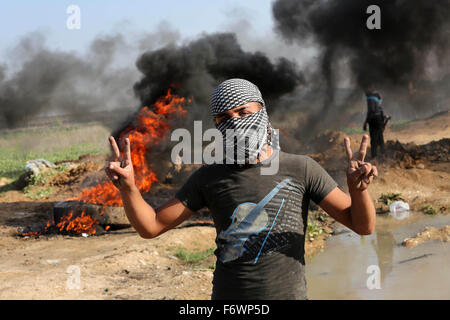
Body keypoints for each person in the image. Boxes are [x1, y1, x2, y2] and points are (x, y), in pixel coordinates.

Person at [105, 78, 378, 300]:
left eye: (243, 112)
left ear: (262, 113)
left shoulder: (301, 168)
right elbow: (151, 226)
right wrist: (128, 187)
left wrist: (359, 191)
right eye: (224, 118)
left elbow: (362, 226)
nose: (235, 121)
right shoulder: (209, 177)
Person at [363, 87, 386, 159]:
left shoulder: (370, 98)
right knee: (380, 137)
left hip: (373, 120)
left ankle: (374, 157)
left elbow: (371, 111)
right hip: (379, 119)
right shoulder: (377, 98)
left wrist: (366, 122)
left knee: (374, 139)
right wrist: (382, 122)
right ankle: (383, 154)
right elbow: (381, 110)